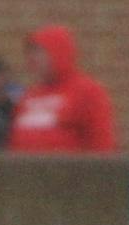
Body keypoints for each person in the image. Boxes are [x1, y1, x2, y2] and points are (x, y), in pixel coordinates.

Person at [6, 26, 115, 154]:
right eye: (31, 53)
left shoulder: (87, 92)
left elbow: (102, 143)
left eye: (40, 52)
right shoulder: (29, 96)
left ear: (58, 52)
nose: (33, 59)